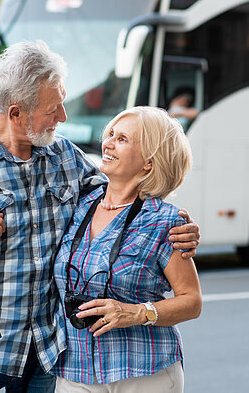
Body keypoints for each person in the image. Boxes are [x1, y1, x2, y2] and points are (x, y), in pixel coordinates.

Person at [0, 41, 200, 393]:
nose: (63, 116)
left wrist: (175, 221)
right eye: (53, 108)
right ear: (16, 113)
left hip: (47, 356)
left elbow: (121, 195)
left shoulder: (63, 154)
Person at [52, 106, 202, 392]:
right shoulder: (79, 204)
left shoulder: (164, 221)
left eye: (122, 139)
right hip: (75, 370)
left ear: (148, 162)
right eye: (109, 134)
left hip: (144, 372)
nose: (107, 143)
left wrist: (136, 313)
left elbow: (192, 301)